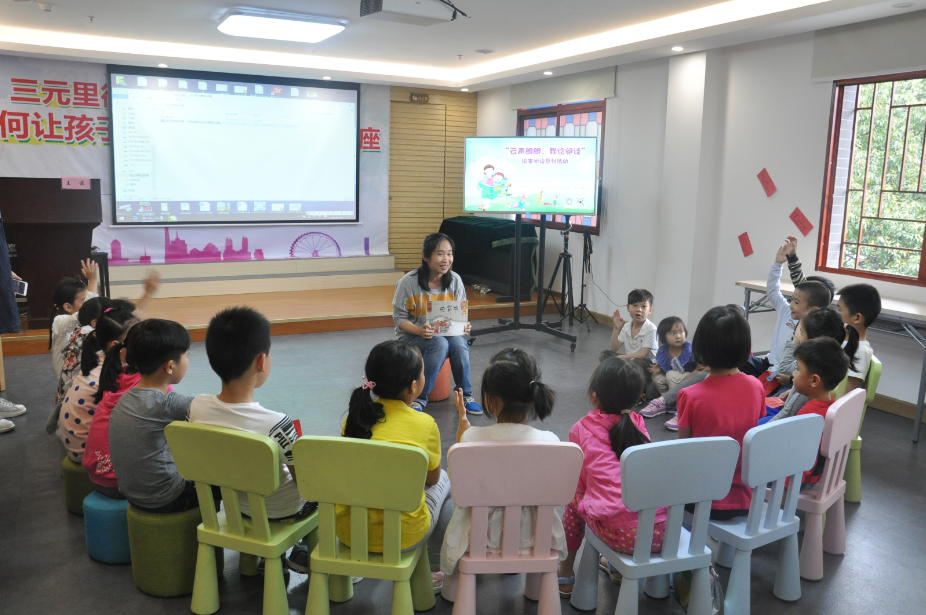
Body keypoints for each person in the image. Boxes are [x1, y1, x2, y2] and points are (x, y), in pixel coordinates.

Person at [188, 307, 311, 572]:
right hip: (281, 510)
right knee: (323, 495)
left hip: (234, 507)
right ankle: (305, 549)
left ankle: (254, 561)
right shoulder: (277, 423)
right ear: (261, 361)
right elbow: (305, 483)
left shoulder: (196, 407)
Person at [441, 349, 564, 600]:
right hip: (535, 537)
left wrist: (464, 432)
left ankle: (452, 592)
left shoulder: (472, 438)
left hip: (479, 539)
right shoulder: (550, 442)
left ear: (490, 400)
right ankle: (535, 590)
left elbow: (459, 487)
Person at [340, 340, 453, 593]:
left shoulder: (354, 420)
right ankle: (433, 567)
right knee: (446, 480)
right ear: (413, 385)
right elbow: (432, 480)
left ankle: (355, 565)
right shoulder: (425, 424)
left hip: (350, 533)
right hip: (404, 536)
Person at [557, 357, 668, 595]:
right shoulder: (638, 423)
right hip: (661, 532)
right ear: (637, 398)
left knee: (573, 499)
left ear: (594, 396)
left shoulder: (581, 428)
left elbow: (579, 484)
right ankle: (616, 569)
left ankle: (565, 573)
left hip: (620, 536)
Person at [677, 306, 765, 519]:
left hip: (701, 500)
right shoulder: (756, 386)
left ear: (701, 347)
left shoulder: (690, 395)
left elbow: (683, 450)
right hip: (746, 497)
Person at [108, 319, 198, 512]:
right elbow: (215, 408)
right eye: (187, 355)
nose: (187, 360)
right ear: (170, 366)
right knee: (217, 478)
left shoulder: (127, 397)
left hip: (132, 494)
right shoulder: (164, 403)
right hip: (165, 499)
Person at [392, 232, 482, 414]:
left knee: (459, 343)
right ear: (425, 257)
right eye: (440, 254)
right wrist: (420, 331)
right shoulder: (408, 282)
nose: (446, 259)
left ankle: (466, 395)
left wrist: (463, 325)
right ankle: (418, 398)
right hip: (412, 336)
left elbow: (459, 313)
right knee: (439, 343)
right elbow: (399, 319)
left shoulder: (455, 280)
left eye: (449, 254)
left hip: (446, 335)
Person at [57, 308, 138, 462]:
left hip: (77, 446)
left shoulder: (98, 362)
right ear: (116, 345)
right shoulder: (111, 376)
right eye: (137, 340)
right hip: (90, 454)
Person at [741, 242, 830, 377]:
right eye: (792, 299)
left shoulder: (814, 332)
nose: (791, 304)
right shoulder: (786, 310)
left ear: (813, 309)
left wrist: (789, 379)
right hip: (767, 364)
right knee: (736, 361)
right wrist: (778, 264)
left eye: (796, 302)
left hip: (785, 374)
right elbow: (773, 291)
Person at [763, 308, 857, 425]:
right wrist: (792, 392)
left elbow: (787, 414)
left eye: (801, 332)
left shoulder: (807, 403)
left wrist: (757, 431)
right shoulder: (829, 361)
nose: (794, 373)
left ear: (813, 340)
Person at [84, 320, 143, 499]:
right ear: (169, 365)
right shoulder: (149, 388)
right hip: (120, 484)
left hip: (96, 477)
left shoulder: (115, 377)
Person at [789, 338, 850, 485]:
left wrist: (785, 489)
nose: (793, 374)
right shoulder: (833, 406)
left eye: (798, 369)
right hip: (820, 477)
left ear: (814, 381)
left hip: (800, 483)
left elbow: (800, 461)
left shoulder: (809, 416)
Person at [640, 316, 696, 419]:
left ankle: (678, 404)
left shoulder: (689, 349)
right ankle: (668, 402)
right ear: (664, 337)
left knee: (670, 375)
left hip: (689, 377)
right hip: (673, 377)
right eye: (672, 333)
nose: (678, 336)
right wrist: (660, 369)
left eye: (681, 332)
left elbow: (699, 369)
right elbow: (668, 367)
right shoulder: (663, 350)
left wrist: (689, 377)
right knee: (657, 377)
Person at [49, 260, 99, 375]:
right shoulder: (59, 321)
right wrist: (93, 280)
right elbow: (87, 309)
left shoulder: (84, 321)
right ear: (68, 307)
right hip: (68, 378)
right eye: (83, 300)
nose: (87, 303)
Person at [837, 283, 881, 393]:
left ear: (856, 318)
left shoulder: (860, 352)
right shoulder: (843, 340)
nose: (836, 314)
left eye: (840, 310)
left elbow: (844, 394)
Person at [601, 290, 657, 372]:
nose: (639, 309)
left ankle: (622, 372)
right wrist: (616, 328)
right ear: (628, 307)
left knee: (635, 362)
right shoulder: (627, 326)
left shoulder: (651, 328)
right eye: (635, 305)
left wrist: (619, 358)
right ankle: (623, 371)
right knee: (605, 354)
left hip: (646, 365)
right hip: (630, 361)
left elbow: (643, 355)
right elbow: (613, 348)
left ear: (650, 310)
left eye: (643, 306)